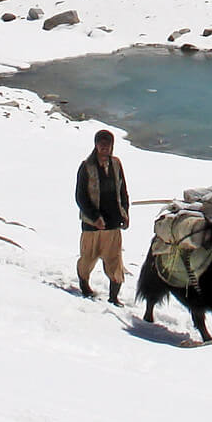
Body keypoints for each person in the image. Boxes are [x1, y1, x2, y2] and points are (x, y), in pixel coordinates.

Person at [74, 128, 130, 303]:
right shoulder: (86, 167)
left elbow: (123, 190)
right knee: (88, 257)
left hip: (113, 222)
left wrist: (125, 213)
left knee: (114, 260)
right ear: (96, 145)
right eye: (101, 143)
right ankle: (84, 284)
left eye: (107, 144)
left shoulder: (116, 164)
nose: (104, 147)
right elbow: (80, 196)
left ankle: (113, 297)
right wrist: (94, 217)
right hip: (92, 224)